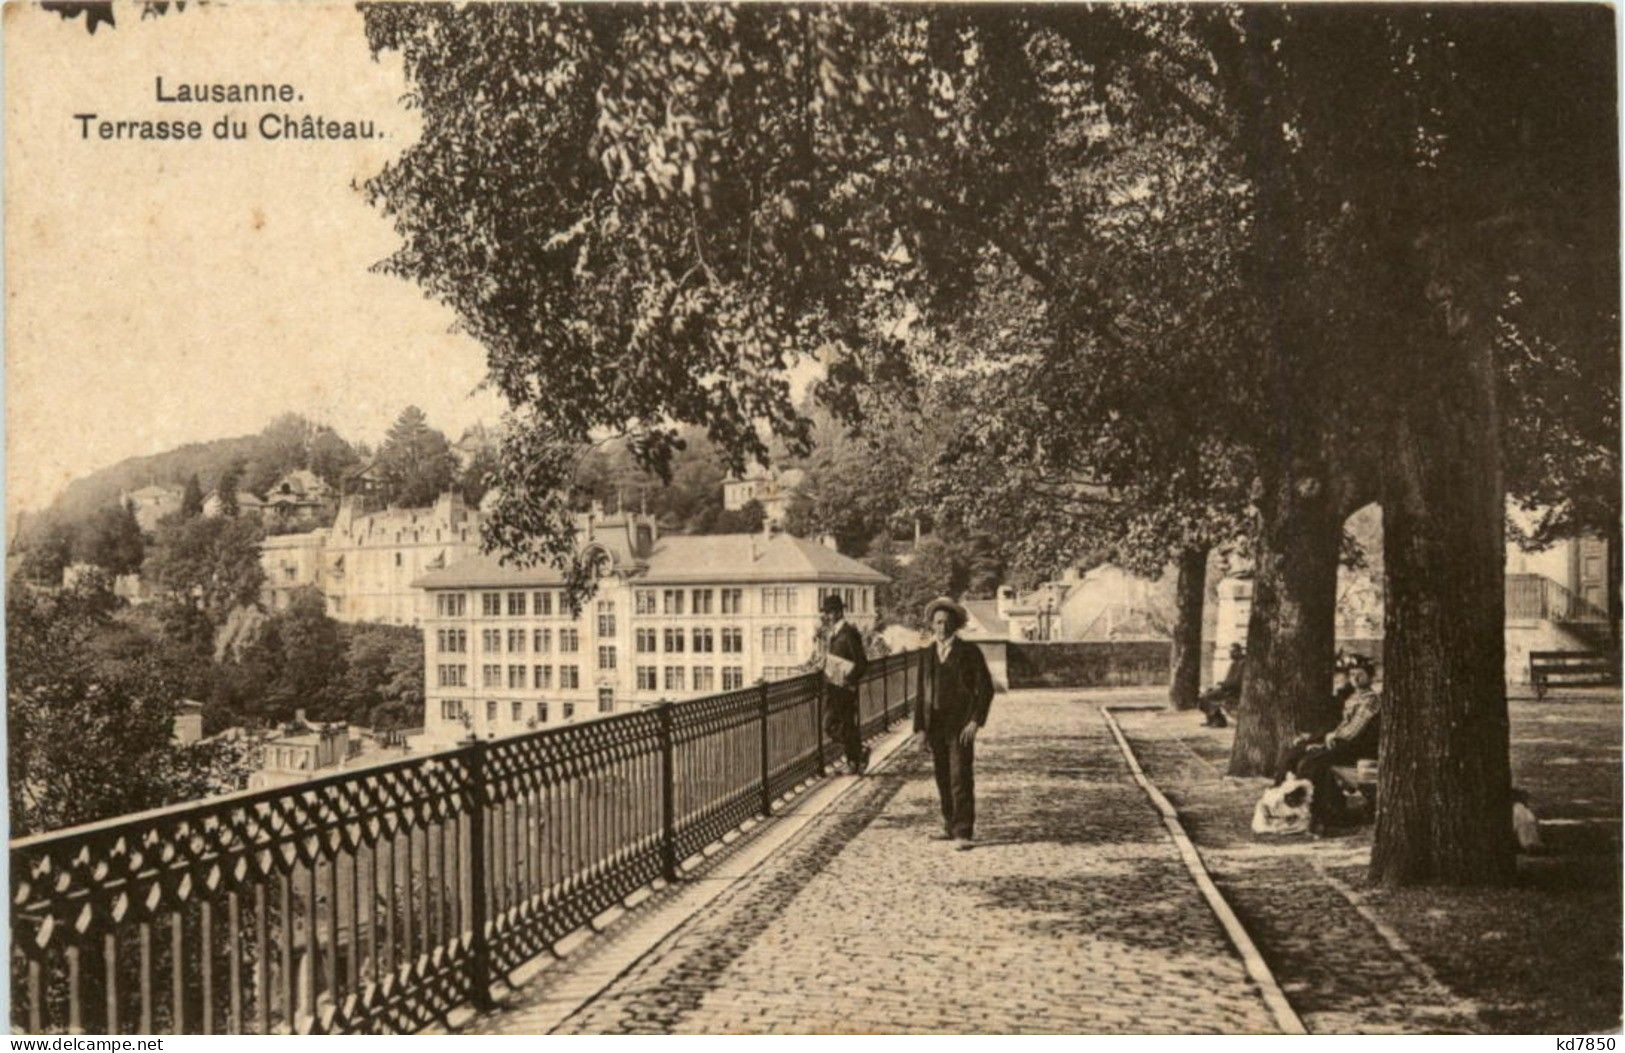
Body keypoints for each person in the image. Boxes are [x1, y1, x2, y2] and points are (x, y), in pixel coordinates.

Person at [913, 596, 994, 849]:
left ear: (955, 624)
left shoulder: (969, 652)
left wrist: (975, 721)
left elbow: (986, 688)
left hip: (960, 725)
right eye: (937, 623)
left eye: (946, 622)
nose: (941, 627)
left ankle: (963, 832)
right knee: (942, 777)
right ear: (932, 625)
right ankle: (949, 824)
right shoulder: (926, 655)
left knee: (960, 776)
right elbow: (920, 694)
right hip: (935, 725)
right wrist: (920, 730)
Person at [1272, 655, 1381, 833]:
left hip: (1359, 747)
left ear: (1370, 677)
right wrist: (1324, 740)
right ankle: (1287, 807)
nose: (1355, 678)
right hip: (1345, 743)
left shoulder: (1371, 699)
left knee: (1313, 762)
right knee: (1297, 755)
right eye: (1352, 674)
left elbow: (1354, 729)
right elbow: (1342, 727)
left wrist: (1330, 739)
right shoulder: (1353, 697)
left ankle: (1327, 817)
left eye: (1360, 674)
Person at [820, 593, 870, 774]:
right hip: (834, 688)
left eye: (831, 612)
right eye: (826, 612)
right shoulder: (834, 633)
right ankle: (855, 760)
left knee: (832, 725)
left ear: (840, 612)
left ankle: (857, 756)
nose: (828, 616)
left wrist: (849, 680)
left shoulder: (848, 633)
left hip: (845, 689)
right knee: (846, 726)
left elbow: (862, 662)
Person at [1199, 644, 1247, 727]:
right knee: (1205, 694)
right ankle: (1213, 719)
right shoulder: (1235, 663)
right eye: (1230, 652)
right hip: (1227, 688)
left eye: (1233, 652)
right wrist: (1221, 684)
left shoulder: (1242, 664)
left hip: (1232, 691)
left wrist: (1222, 685)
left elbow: (1236, 682)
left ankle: (1218, 721)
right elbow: (1229, 680)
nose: (1231, 654)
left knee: (1206, 697)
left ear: (1239, 651)